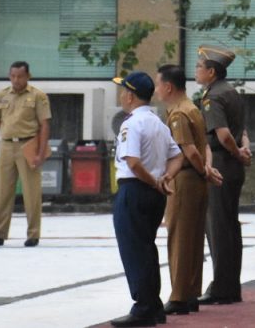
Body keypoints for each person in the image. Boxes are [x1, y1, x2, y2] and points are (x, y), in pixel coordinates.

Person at [110, 72, 183, 327]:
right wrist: (165, 179)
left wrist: (154, 181)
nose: (121, 95)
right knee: (147, 248)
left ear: (130, 95)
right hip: (154, 194)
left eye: (123, 91)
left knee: (134, 250)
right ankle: (153, 306)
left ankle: (143, 306)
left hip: (134, 189)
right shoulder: (158, 123)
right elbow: (178, 156)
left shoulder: (131, 124)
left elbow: (133, 162)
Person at [155, 64, 218, 315]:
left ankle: (180, 296)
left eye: (158, 84)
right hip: (197, 179)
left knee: (180, 238)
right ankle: (191, 291)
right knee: (193, 238)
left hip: (185, 179)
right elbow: (205, 148)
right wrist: (208, 170)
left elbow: (189, 150)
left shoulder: (178, 114)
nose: (157, 90)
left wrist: (204, 171)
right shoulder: (193, 108)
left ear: (168, 86)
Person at [195, 45, 251, 305]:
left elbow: (224, 134)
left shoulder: (213, 97)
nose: (196, 70)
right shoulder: (230, 92)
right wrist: (243, 151)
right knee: (229, 226)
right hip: (232, 163)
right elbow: (242, 131)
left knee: (218, 228)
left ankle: (222, 288)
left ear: (212, 72)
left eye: (200, 67)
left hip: (220, 162)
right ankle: (229, 285)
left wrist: (238, 153)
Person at [0, 61, 51, 248]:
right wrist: (6, 128)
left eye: (20, 76)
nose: (16, 80)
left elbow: (45, 125)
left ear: (28, 76)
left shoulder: (37, 96)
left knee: (31, 192)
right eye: (13, 76)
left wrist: (40, 152)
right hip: (6, 146)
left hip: (28, 144)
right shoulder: (2, 95)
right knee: (3, 192)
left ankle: (33, 234)